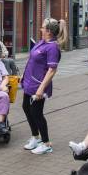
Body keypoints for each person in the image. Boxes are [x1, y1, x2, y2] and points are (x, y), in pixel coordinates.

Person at [21, 18, 66, 155]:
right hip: (29, 82)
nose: (40, 29)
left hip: (38, 85)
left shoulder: (52, 47)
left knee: (37, 113)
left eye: (42, 28)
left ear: (48, 31)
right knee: (26, 108)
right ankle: (35, 137)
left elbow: (52, 70)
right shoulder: (42, 42)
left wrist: (41, 88)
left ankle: (46, 144)